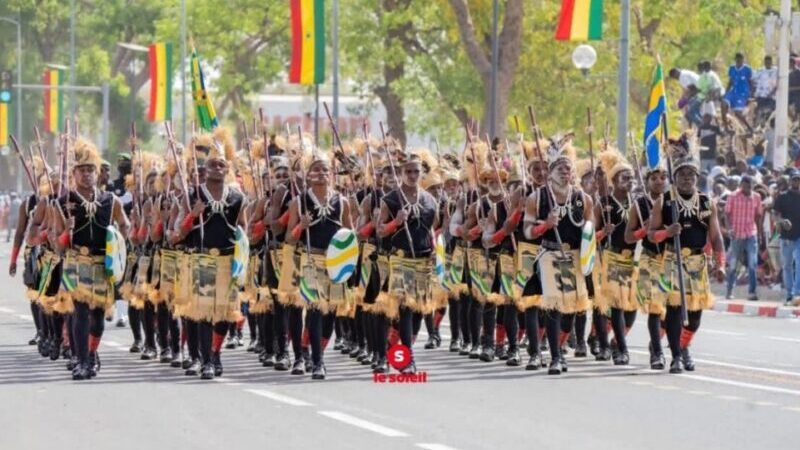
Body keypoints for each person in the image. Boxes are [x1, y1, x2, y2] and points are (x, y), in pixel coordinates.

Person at [172, 127, 247, 380]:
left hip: (227, 261)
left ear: (227, 169)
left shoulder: (237, 198)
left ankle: (214, 354)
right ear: (205, 169)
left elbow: (243, 231)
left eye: (221, 164)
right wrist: (193, 215)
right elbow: (178, 234)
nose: (217, 167)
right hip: (200, 260)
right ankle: (205, 361)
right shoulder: (192, 194)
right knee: (204, 314)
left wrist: (243, 258)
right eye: (212, 164)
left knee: (224, 315)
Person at [53, 138, 131, 380]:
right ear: (74, 173)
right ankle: (82, 361)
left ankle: (92, 352)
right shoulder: (63, 203)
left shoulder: (110, 200)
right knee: (80, 312)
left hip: (102, 264)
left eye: (91, 170)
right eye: (82, 170)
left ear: (97, 173)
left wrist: (118, 242)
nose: (87, 174)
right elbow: (57, 244)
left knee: (97, 319)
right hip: (76, 261)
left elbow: (125, 226)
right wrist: (66, 231)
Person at [648, 135, 726, 374]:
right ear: (674, 177)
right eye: (682, 174)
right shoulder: (664, 201)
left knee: (694, 317)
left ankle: (683, 347)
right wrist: (667, 232)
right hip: (672, 261)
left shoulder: (707, 202)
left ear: (697, 177)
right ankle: (675, 357)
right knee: (674, 311)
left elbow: (716, 237)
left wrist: (720, 264)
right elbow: (651, 235)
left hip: (697, 263)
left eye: (691, 175)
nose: (686, 178)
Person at [523, 139, 593, 375]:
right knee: (553, 306)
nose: (565, 171)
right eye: (560, 168)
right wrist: (546, 225)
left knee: (571, 309)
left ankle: (560, 349)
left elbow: (590, 232)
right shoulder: (537, 198)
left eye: (568, 168)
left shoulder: (583, 198)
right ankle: (554, 357)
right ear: (550, 173)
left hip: (574, 257)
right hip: (549, 254)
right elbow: (527, 231)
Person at [724, 175, 763, 301]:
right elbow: (726, 214)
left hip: (751, 233)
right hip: (737, 234)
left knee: (752, 263)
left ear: (752, 186)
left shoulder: (756, 197)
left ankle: (752, 292)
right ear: (741, 185)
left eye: (749, 187)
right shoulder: (733, 196)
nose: (747, 189)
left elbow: (758, 216)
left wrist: (760, 234)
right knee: (734, 263)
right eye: (745, 186)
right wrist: (729, 229)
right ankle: (729, 290)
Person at [773, 170, 800, 306]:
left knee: (799, 264)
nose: (796, 182)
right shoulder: (782, 197)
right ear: (790, 181)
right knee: (787, 266)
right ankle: (789, 294)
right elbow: (775, 215)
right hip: (786, 237)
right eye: (794, 180)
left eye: (798, 180)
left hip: (799, 237)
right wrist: (782, 221)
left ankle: (797, 293)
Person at [722, 53, 754, 131]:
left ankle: (749, 127)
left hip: (742, 93)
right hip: (733, 91)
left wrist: (751, 94)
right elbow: (730, 81)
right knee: (723, 104)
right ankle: (726, 127)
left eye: (740, 59)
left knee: (737, 113)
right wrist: (726, 92)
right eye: (737, 59)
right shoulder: (732, 68)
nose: (739, 61)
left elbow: (751, 82)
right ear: (735, 59)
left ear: (743, 60)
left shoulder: (747, 69)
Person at [753, 56, 777, 125]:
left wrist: (772, 92)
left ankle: (767, 125)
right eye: (766, 63)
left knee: (769, 110)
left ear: (771, 62)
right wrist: (755, 93)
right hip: (761, 95)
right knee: (759, 111)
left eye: (769, 63)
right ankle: (759, 125)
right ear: (764, 62)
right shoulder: (760, 71)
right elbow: (754, 80)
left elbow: (778, 83)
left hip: (772, 96)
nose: (767, 64)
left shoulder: (776, 71)